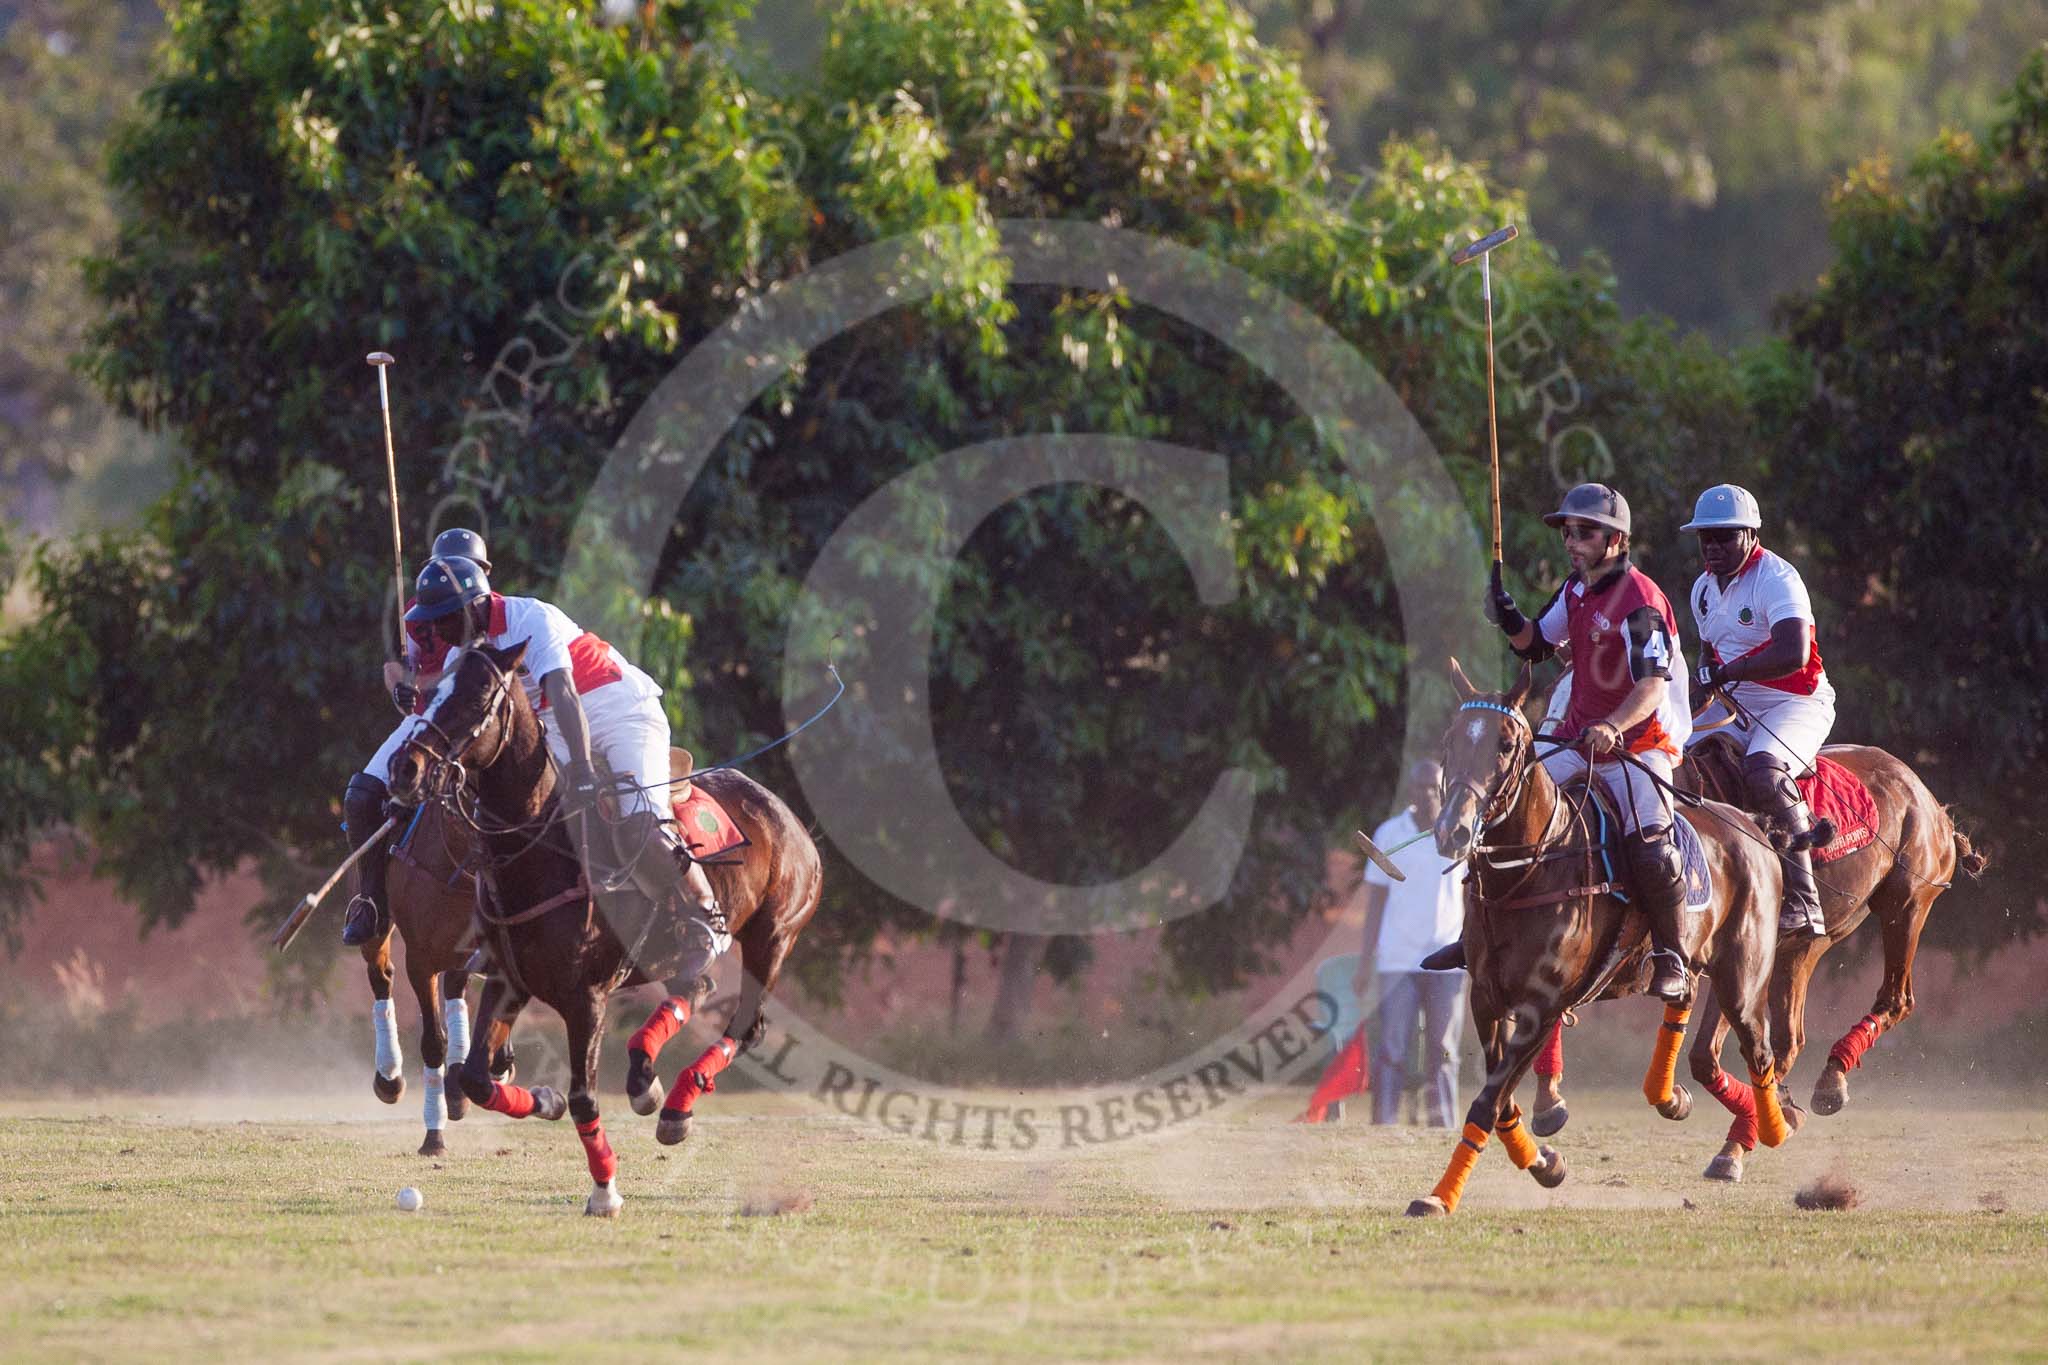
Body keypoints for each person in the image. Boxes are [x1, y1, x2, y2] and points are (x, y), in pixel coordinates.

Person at [400, 555, 729, 986]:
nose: (437, 632)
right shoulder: (465, 652)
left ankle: (705, 916)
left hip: (618, 709)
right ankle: (516, 929)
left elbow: (564, 692)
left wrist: (585, 771)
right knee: (518, 815)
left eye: (443, 620)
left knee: (637, 822)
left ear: (472, 606)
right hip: (551, 722)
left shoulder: (529, 617)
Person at [1484, 482, 1695, 1003]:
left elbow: (1651, 686)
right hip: (1576, 738)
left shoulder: (1642, 601)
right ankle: (1479, 936)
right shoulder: (1575, 589)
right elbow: (1536, 645)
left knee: (1650, 842)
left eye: (1584, 533)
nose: (1572, 542)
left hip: (1639, 743)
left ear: (1616, 540)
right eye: (1568, 533)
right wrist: (1508, 615)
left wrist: (1615, 728)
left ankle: (1673, 956)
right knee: (1509, 807)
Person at [1682, 483, 1835, 938]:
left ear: (1750, 533)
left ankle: (1805, 902)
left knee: (1763, 771)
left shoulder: (1778, 578)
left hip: (1796, 701)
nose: (1713, 545)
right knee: (1665, 762)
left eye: (1724, 536)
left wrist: (1726, 673)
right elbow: (1711, 658)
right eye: (1705, 537)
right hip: (1737, 703)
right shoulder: (1703, 591)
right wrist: (1695, 692)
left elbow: (1795, 652)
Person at [341, 526, 493, 947]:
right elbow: (397, 665)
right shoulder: (419, 613)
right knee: (360, 797)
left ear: (483, 573)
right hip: (427, 725)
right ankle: (372, 902)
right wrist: (401, 687)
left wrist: (425, 682)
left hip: (478, 726)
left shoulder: (496, 616)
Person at [1350, 760, 1468, 1126]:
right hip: (1397, 960)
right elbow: (1375, 903)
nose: (1428, 795)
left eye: (1435, 788)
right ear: (1411, 792)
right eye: (1421, 788)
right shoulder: (1389, 834)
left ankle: (1442, 1125)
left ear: (1445, 791)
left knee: (1443, 1049)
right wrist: (1365, 962)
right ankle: (1383, 1124)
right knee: (1392, 1048)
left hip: (1446, 957)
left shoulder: (1461, 834)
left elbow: (1474, 896)